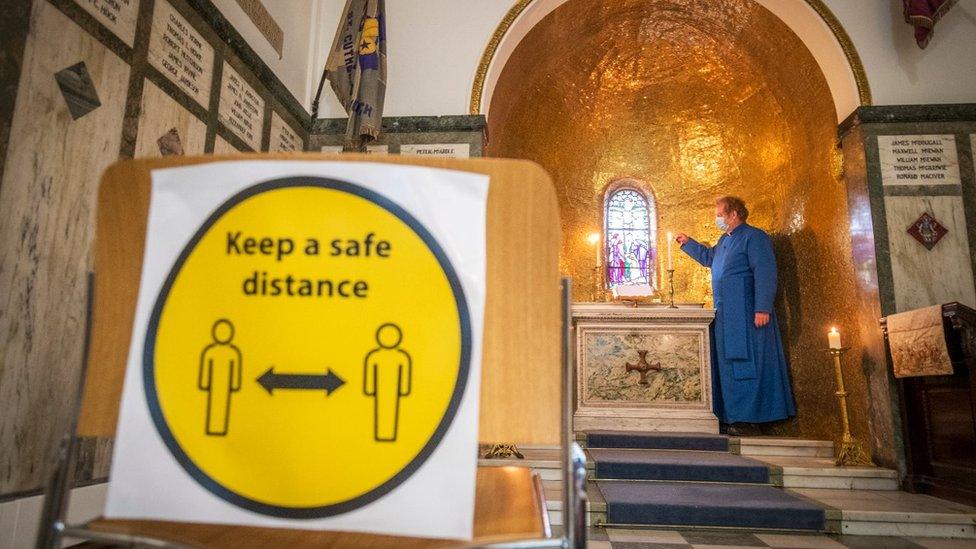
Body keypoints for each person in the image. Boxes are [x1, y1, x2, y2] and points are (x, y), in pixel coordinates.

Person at [675, 196, 795, 435]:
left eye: (719, 214)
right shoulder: (725, 240)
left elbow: (765, 272)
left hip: (748, 314)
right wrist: (688, 243)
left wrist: (762, 307)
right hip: (725, 314)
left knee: (747, 364)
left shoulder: (755, 237)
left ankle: (751, 419)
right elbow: (710, 258)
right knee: (729, 366)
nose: (716, 218)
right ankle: (732, 416)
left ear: (734, 214)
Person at [363, 323, 412, 442]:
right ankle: (383, 435)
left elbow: (405, 376)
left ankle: (387, 435)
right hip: (382, 390)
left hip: (390, 391)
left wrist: (369, 389)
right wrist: (369, 389)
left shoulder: (400, 356)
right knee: (382, 412)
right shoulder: (375, 356)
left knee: (389, 412)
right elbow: (369, 374)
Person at [198, 319, 242, 436]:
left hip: (224, 386)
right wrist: (204, 384)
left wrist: (235, 385)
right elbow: (205, 369)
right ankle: (214, 429)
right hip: (215, 385)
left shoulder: (233, 353)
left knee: (223, 408)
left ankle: (220, 429)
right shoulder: (210, 351)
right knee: (213, 408)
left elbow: (236, 371)